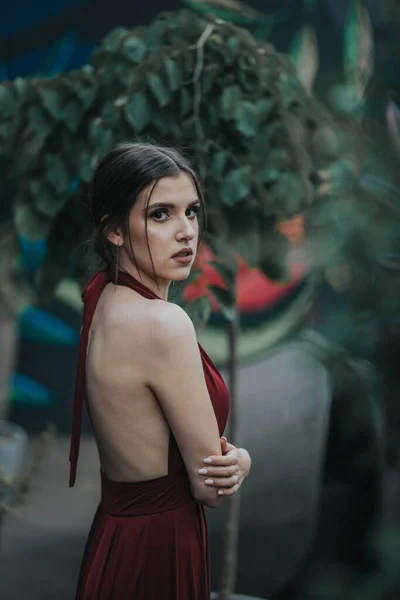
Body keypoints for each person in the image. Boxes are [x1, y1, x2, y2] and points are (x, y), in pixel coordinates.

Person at [69, 142, 252, 600]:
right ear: (113, 230)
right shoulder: (163, 324)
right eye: (160, 215)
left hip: (115, 538)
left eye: (190, 211)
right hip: (158, 547)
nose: (186, 231)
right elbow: (209, 489)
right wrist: (241, 461)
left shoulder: (104, 297)